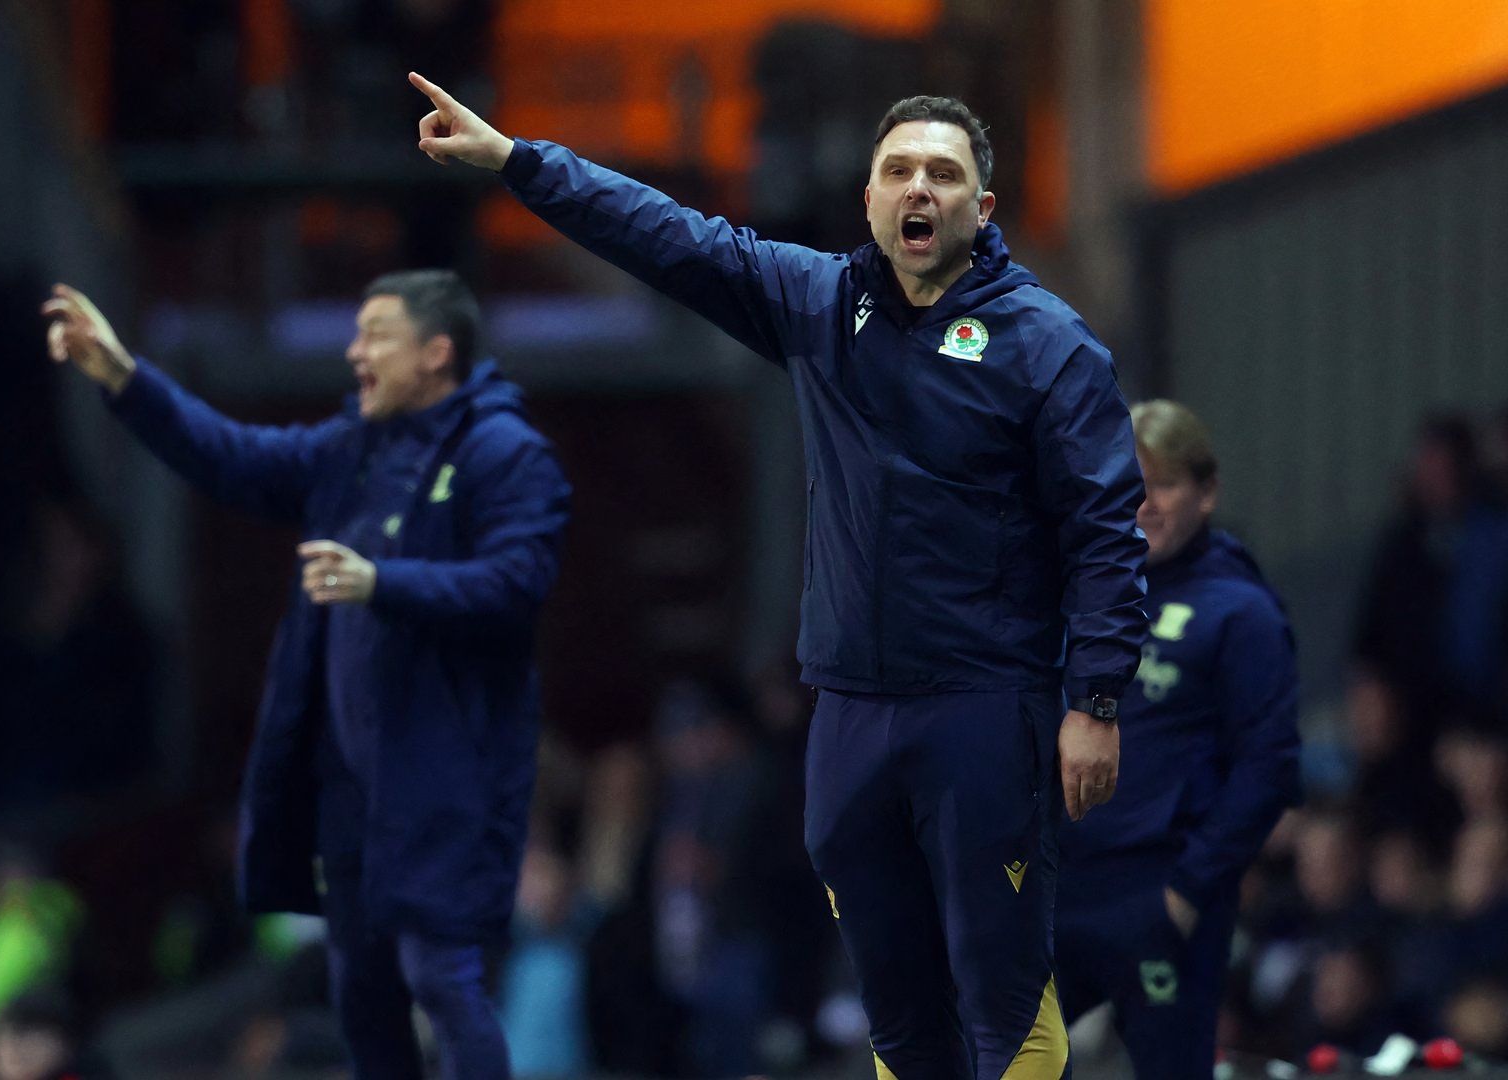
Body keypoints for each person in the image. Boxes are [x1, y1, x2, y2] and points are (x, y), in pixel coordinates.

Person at [403, 74, 1147, 1079]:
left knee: (1001, 993)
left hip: (984, 707)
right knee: (894, 1000)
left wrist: (1094, 698)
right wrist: (521, 163)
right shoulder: (818, 301)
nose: (918, 188)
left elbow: (1106, 530)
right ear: (870, 200)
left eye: (943, 173)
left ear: (985, 206)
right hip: (847, 714)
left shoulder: (1049, 346)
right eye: (897, 171)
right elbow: (667, 236)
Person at [42, 269, 571, 1080]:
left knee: (439, 975)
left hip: (448, 773)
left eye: (375, 336)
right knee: (360, 986)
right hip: (351, 780)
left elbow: (517, 581)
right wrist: (124, 375)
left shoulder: (502, 453)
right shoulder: (354, 446)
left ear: (436, 353)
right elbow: (234, 459)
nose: (354, 352)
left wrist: (380, 583)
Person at [1049, 400, 1300, 1078]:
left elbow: (1270, 768)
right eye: (1127, 485)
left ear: (1207, 490)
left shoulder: (1240, 611)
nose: (1143, 504)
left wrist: (1188, 893)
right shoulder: (1076, 591)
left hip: (1160, 901)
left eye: (1162, 484)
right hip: (1056, 890)